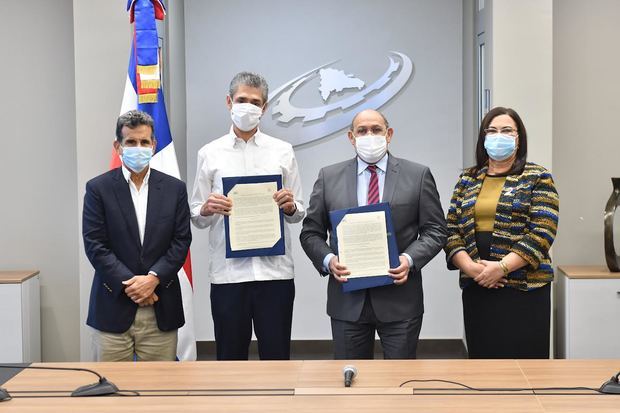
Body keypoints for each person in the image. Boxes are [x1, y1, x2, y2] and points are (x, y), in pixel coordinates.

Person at [299, 109, 447, 359]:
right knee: (352, 384)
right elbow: (310, 232)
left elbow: (436, 230)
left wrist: (408, 260)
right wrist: (329, 260)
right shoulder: (328, 177)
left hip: (400, 300)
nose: (369, 135)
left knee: (400, 383)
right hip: (347, 301)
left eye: (376, 130)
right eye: (362, 131)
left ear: (388, 134)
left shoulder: (417, 175)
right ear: (351, 137)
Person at [190, 72, 305, 360]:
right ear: (229, 102)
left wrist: (290, 206)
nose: (248, 106)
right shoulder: (210, 153)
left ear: (264, 108)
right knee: (230, 357)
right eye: (242, 100)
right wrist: (207, 208)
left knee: (277, 356)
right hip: (229, 275)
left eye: (255, 102)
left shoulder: (282, 151)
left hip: (275, 272)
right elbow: (196, 214)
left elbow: (298, 210)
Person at [444, 106, 559, 359]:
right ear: (484, 138)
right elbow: (451, 231)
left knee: (526, 370)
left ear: (519, 138)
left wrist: (501, 268)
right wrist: (473, 269)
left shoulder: (538, 177)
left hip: (525, 289)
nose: (499, 136)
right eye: (492, 130)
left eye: (507, 130)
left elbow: (543, 231)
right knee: (484, 368)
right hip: (479, 287)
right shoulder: (468, 179)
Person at [83, 110, 191, 361]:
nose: (138, 147)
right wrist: (134, 285)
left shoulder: (175, 189)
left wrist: (152, 279)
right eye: (131, 142)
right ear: (118, 146)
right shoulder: (98, 189)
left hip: (160, 306)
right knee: (109, 393)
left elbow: (181, 241)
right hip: (112, 306)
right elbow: (95, 245)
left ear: (154, 145)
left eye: (144, 142)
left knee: (160, 393)